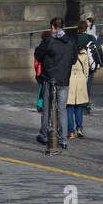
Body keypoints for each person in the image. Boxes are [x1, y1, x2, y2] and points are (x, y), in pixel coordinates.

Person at [34, 18, 78, 148]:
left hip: (50, 79)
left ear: (53, 27)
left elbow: (37, 54)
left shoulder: (49, 41)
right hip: (64, 79)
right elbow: (74, 59)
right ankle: (63, 139)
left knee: (47, 108)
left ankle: (44, 134)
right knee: (62, 110)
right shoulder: (70, 42)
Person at [77, 19, 103, 112]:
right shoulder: (91, 37)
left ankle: (77, 102)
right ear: (86, 28)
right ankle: (86, 103)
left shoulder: (74, 38)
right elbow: (98, 49)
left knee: (77, 85)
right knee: (87, 85)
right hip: (89, 65)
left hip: (77, 65)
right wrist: (102, 60)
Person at [66, 43, 89, 139]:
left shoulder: (67, 52)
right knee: (79, 107)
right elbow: (86, 70)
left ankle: (70, 132)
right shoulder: (84, 53)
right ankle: (79, 129)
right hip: (81, 80)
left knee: (69, 108)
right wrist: (85, 80)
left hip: (70, 79)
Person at [34, 29, 51, 112]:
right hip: (45, 72)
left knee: (41, 89)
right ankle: (41, 104)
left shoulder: (40, 47)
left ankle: (40, 104)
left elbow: (36, 62)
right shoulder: (50, 46)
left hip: (40, 72)